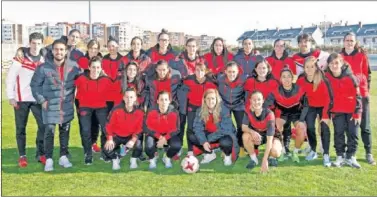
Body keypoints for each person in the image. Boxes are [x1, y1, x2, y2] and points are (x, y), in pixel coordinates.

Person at [30, 39, 81, 172]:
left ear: (66, 51)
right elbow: (35, 86)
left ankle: (63, 157)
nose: (59, 52)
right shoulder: (43, 67)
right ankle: (49, 159)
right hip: (50, 106)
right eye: (56, 49)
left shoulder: (73, 67)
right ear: (52, 51)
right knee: (50, 133)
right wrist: (42, 101)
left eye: (61, 49)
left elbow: (85, 78)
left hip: (66, 107)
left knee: (65, 132)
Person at [6, 32, 46, 167]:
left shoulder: (44, 58)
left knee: (43, 126)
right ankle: (22, 156)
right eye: (33, 43)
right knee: (20, 128)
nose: (36, 46)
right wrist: (11, 97)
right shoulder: (20, 57)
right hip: (21, 99)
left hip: (37, 99)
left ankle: (40, 153)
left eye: (38, 43)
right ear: (29, 43)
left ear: (42, 44)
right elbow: (10, 77)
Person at [340, 32, 375, 165]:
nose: (349, 42)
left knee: (365, 126)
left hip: (362, 95)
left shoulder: (362, 56)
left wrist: (365, 91)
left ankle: (368, 153)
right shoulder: (340, 57)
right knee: (349, 126)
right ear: (343, 42)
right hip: (347, 98)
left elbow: (367, 74)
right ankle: (349, 154)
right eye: (347, 40)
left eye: (351, 40)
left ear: (355, 42)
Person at [264, 67, 309, 163]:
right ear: (280, 79)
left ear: (292, 78)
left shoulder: (299, 90)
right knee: (279, 126)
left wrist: (301, 120)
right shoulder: (275, 91)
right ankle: (284, 150)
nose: (286, 79)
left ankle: (295, 152)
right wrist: (271, 116)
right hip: (282, 113)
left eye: (289, 76)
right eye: (284, 77)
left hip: (296, 114)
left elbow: (306, 106)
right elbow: (266, 106)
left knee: (301, 130)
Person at [325, 53, 362, 169]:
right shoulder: (327, 77)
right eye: (331, 63)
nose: (334, 65)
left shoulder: (351, 77)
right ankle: (340, 156)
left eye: (337, 63)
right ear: (329, 65)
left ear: (341, 63)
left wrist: (357, 112)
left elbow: (358, 96)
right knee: (338, 133)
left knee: (353, 133)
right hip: (337, 111)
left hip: (352, 111)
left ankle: (351, 156)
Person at [75, 56, 113, 165]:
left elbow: (112, 95)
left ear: (101, 68)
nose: (95, 70)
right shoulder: (81, 78)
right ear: (89, 67)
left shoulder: (106, 79)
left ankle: (105, 153)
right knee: (86, 131)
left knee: (106, 130)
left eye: (98, 67)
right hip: (85, 107)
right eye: (93, 67)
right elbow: (72, 91)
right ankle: (88, 154)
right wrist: (78, 107)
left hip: (101, 107)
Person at [296, 56, 332, 166]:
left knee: (324, 128)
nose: (309, 69)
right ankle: (313, 150)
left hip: (323, 107)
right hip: (310, 107)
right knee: (310, 128)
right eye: (307, 67)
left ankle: (326, 154)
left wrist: (325, 116)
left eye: (312, 66)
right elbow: (297, 96)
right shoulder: (301, 80)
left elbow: (328, 99)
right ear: (304, 68)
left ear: (316, 67)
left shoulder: (323, 79)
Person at [191, 89, 239, 166]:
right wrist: (204, 141)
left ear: (217, 99)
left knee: (226, 142)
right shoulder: (200, 110)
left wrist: (207, 140)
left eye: (213, 98)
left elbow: (225, 130)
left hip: (223, 134)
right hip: (210, 133)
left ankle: (227, 155)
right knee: (192, 137)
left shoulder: (224, 109)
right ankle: (210, 153)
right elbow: (197, 128)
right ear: (204, 100)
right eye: (208, 98)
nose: (210, 101)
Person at [177, 63, 217, 156]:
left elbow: (215, 95)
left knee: (204, 128)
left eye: (202, 70)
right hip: (192, 107)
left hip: (205, 108)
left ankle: (207, 148)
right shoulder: (188, 80)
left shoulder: (210, 83)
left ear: (205, 71)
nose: (199, 72)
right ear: (194, 71)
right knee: (190, 128)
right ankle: (190, 150)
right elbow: (180, 85)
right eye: (197, 70)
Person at [104, 88, 144, 170]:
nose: (129, 99)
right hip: (117, 136)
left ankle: (133, 160)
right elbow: (108, 125)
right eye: (127, 97)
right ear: (123, 98)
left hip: (130, 136)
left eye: (131, 97)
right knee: (106, 149)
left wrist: (133, 140)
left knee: (139, 146)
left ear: (135, 98)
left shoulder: (140, 112)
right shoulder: (116, 109)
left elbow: (140, 128)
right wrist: (110, 139)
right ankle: (115, 159)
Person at [242, 91, 283, 172]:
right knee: (245, 136)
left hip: (272, 136)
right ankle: (254, 159)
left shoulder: (269, 114)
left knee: (276, 152)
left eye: (259, 99)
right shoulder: (248, 111)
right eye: (254, 100)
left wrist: (264, 160)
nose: (256, 102)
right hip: (258, 134)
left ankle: (271, 157)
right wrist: (252, 132)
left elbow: (269, 140)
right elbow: (244, 127)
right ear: (250, 100)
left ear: (263, 100)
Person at [76, 39, 103, 153]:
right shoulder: (82, 60)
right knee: (84, 123)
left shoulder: (102, 61)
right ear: (88, 48)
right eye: (91, 48)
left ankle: (93, 143)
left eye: (96, 48)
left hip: (97, 98)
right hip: (82, 98)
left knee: (96, 122)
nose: (93, 50)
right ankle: (86, 145)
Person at [144, 91, 182, 169]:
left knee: (177, 145)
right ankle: (152, 158)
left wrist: (165, 138)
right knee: (148, 146)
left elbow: (177, 129)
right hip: (154, 134)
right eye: (161, 99)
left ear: (169, 101)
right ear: (157, 101)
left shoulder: (174, 112)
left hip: (167, 135)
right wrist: (160, 137)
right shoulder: (151, 111)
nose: (163, 102)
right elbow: (146, 127)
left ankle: (167, 158)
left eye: (166, 99)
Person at [217, 61, 246, 157]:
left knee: (241, 126)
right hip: (225, 104)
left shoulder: (243, 79)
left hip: (238, 104)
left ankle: (241, 146)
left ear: (238, 72)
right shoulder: (220, 79)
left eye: (234, 72)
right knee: (225, 126)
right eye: (229, 72)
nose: (231, 74)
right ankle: (225, 147)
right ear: (225, 71)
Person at [15, 29, 84, 62]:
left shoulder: (76, 51)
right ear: (68, 36)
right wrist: (22, 49)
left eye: (77, 37)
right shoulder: (58, 44)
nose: (74, 39)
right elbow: (42, 50)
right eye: (73, 36)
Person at [102, 36, 123, 112]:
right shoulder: (104, 59)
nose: (111, 48)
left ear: (117, 46)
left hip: (119, 94)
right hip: (106, 95)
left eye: (113, 46)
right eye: (109, 46)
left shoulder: (123, 60)